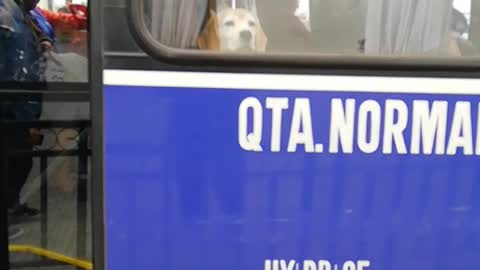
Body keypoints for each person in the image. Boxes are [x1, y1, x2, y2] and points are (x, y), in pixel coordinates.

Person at [0, 0, 52, 239]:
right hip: (11, 105)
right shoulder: (7, 13)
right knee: (15, 161)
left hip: (22, 102)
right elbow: (18, 70)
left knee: (21, 160)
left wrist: (44, 39)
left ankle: (12, 205)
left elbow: (43, 28)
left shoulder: (27, 14)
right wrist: (25, 114)